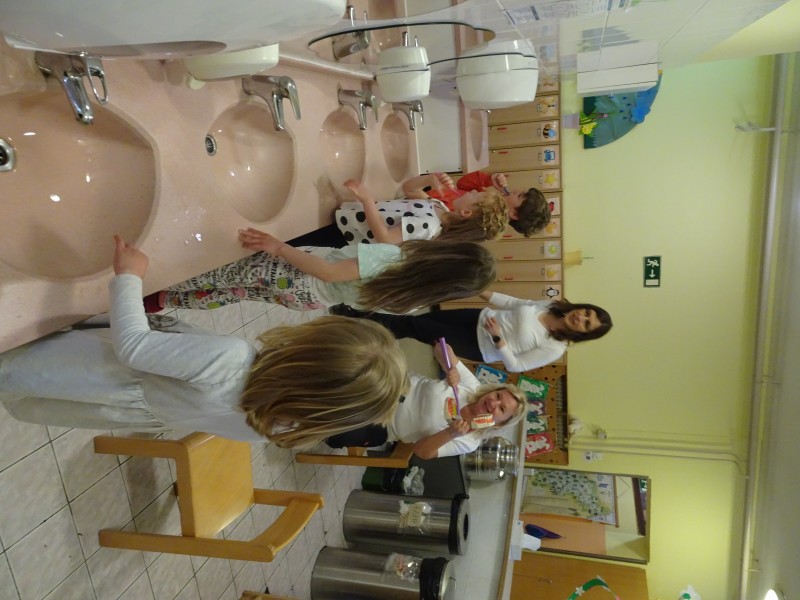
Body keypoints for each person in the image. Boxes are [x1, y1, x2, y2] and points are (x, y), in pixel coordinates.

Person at [0, 236, 409, 448]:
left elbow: (133, 348)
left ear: (308, 348)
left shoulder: (231, 361)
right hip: (123, 405)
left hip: (97, 371)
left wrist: (129, 276)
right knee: (18, 383)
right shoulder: (274, 423)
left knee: (15, 359)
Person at [150, 229, 497, 314]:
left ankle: (151, 283)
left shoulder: (394, 259)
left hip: (300, 274)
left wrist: (279, 247)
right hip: (311, 301)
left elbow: (330, 272)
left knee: (223, 274)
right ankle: (164, 299)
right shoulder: (413, 302)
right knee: (235, 292)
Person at [325, 341, 526, 459]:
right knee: (345, 374)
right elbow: (440, 347)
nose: (493, 403)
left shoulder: (469, 441)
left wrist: (451, 433)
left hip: (386, 425)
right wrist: (451, 368)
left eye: (501, 409)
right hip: (391, 386)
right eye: (497, 396)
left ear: (500, 423)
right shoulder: (471, 386)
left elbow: (422, 452)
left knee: (335, 436)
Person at [332, 290, 613, 372]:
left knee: (415, 326)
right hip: (477, 317)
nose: (581, 318)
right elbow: (515, 303)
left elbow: (516, 366)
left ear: (584, 333)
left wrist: (499, 340)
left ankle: (354, 318)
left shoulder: (555, 348)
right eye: (587, 312)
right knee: (414, 324)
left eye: (587, 324)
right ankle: (360, 328)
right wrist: (483, 292)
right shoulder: (553, 306)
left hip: (477, 344)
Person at [335, 179, 508, 245]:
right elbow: (409, 189)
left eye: (476, 195)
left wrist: (367, 200)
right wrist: (429, 179)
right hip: (347, 216)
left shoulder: (429, 225)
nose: (473, 191)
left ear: (466, 212)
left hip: (345, 233)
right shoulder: (440, 207)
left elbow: (385, 238)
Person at [404, 171, 551, 237]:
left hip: (410, 214)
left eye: (519, 196)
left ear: (514, 214)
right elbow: (463, 184)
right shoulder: (482, 200)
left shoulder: (477, 216)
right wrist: (488, 179)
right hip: (411, 202)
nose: (516, 190)